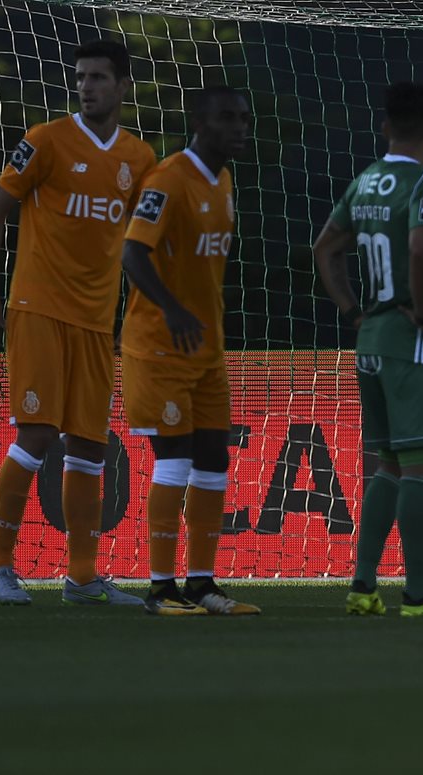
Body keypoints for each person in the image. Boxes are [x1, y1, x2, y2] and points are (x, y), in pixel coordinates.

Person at [0, 39, 155, 606]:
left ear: (122, 86)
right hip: (38, 309)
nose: (87, 86)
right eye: (81, 77)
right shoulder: (44, 141)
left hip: (97, 323)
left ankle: (81, 576)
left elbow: (141, 247)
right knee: (36, 433)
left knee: (89, 445)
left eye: (98, 77)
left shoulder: (140, 159)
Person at [313, 82, 423, 618]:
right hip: (413, 342)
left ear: (385, 127)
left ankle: (363, 586)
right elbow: (418, 245)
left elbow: (325, 248)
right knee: (419, 467)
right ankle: (419, 593)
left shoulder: (365, 182)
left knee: (386, 463)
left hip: (370, 340)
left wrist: (350, 309)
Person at [120, 85, 259, 616]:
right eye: (228, 117)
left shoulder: (223, 181)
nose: (240, 127)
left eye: (244, 117)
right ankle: (160, 589)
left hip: (206, 352)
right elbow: (133, 253)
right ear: (200, 123)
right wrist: (172, 308)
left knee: (213, 463)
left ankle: (202, 585)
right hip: (159, 346)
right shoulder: (169, 179)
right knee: (174, 461)